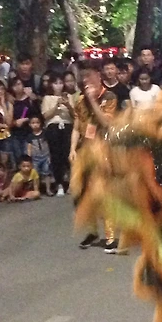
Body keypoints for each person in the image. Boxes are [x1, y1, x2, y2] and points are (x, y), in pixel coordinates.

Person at [72, 63, 122, 251]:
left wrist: (93, 100)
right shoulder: (80, 100)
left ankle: (111, 238)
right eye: (83, 77)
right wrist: (72, 149)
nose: (85, 81)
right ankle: (92, 232)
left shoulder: (109, 97)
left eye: (89, 76)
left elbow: (106, 122)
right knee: (83, 194)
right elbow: (77, 126)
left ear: (99, 77)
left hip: (104, 151)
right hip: (84, 151)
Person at [41, 73, 75, 194]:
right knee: (56, 155)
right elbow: (46, 115)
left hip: (67, 125)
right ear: (51, 85)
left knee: (67, 155)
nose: (59, 86)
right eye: (56, 83)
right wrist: (57, 106)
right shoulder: (47, 98)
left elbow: (74, 115)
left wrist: (68, 105)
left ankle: (71, 183)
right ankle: (59, 183)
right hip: (53, 126)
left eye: (61, 83)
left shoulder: (69, 96)